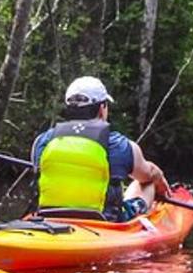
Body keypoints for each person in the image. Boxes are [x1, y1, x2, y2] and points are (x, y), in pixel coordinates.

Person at [31, 76, 170, 222]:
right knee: (145, 183)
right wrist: (159, 180)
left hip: (49, 218)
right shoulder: (118, 144)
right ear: (102, 108)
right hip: (103, 223)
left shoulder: (42, 142)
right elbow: (148, 174)